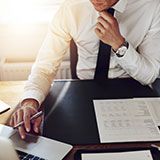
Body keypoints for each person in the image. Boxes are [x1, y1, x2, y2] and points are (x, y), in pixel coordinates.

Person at [9, 0, 160, 139]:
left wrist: (119, 44)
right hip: (81, 94)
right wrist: (30, 102)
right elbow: (45, 67)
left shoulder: (151, 6)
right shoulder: (70, 7)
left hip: (131, 94)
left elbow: (150, 74)